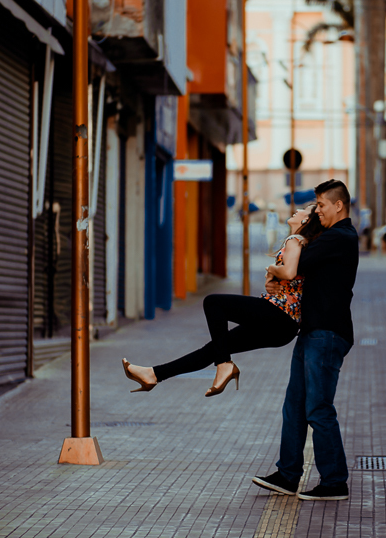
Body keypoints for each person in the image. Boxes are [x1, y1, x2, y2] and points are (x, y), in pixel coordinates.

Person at [122, 205, 323, 397]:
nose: (297, 210)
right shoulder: (302, 243)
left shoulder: (295, 240)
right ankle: (154, 375)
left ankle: (224, 365)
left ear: (306, 219)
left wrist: (270, 269)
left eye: (303, 210)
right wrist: (272, 280)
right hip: (283, 325)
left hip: (279, 316)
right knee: (216, 348)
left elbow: (289, 272)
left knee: (213, 303)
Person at [253, 179, 359, 501]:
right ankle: (287, 475)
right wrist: (276, 276)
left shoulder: (340, 237)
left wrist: (275, 269)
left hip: (327, 334)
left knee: (318, 408)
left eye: (322, 206)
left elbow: (291, 265)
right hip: (312, 331)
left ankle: (334, 481)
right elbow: (293, 269)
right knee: (295, 406)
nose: (318, 211)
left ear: (338, 205)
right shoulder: (330, 237)